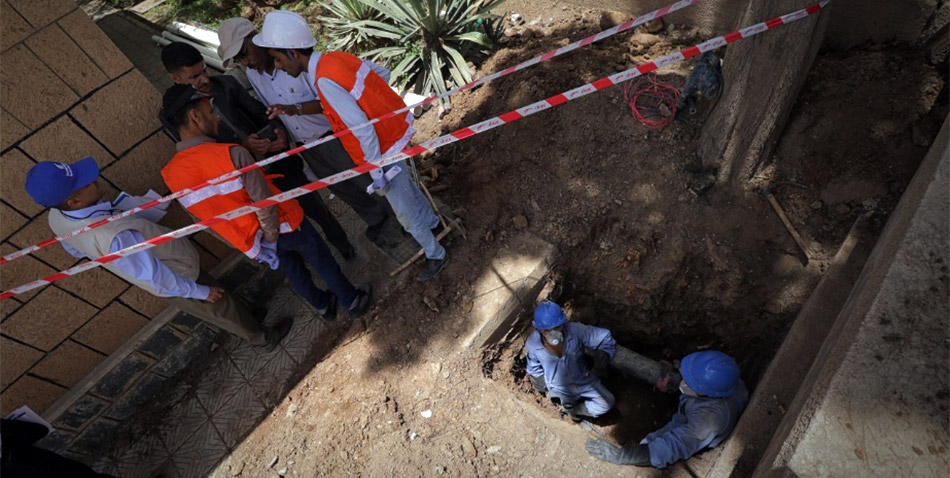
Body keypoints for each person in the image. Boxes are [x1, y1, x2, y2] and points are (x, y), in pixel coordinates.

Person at [252, 10, 450, 282]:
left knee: (403, 211)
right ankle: (434, 224)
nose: (280, 67)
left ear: (293, 52)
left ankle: (436, 254)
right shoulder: (335, 59)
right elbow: (382, 72)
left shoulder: (322, 78)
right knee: (409, 193)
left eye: (278, 58)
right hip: (394, 137)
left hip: (383, 149)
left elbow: (363, 129)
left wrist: (376, 170)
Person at [24, 158, 292, 349]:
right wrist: (198, 292)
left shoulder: (57, 217)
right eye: (86, 183)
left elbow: (73, 248)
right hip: (178, 279)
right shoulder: (113, 237)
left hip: (176, 264)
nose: (94, 179)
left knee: (222, 298)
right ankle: (262, 338)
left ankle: (247, 318)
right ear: (75, 201)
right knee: (219, 306)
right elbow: (153, 277)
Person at [159, 84, 372, 321]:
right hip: (284, 223)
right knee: (321, 260)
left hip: (256, 241)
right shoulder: (231, 153)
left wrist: (253, 245)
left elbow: (203, 222)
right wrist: (271, 233)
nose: (217, 117)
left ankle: (323, 306)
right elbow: (263, 200)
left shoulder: (172, 175)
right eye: (210, 112)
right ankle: (352, 301)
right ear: (195, 116)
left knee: (294, 271)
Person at [160, 41, 356, 260]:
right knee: (283, 239)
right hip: (244, 188)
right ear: (175, 79)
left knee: (316, 209)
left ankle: (342, 245)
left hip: (278, 164)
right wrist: (242, 148)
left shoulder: (226, 85)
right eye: (194, 77)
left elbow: (262, 113)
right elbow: (199, 154)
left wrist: (279, 132)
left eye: (204, 70)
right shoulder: (171, 114)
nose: (204, 79)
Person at [215, 18, 396, 245]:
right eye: (239, 60)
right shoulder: (254, 75)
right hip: (306, 145)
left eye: (244, 54)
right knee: (344, 190)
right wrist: (281, 133)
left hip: (335, 135)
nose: (246, 62)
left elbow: (330, 99)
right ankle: (378, 223)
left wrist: (296, 109)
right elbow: (272, 111)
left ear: (254, 38)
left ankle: (404, 219)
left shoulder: (294, 58)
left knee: (368, 181)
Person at [585, 351, 750, 468]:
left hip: (694, 434)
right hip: (687, 414)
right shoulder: (727, 381)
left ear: (705, 392)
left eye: (689, 381)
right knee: (650, 441)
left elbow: (672, 447)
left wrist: (621, 456)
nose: (684, 380)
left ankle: (642, 449)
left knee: (653, 446)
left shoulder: (706, 423)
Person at [525, 301, 616, 420]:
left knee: (608, 403)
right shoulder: (533, 345)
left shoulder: (575, 330)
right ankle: (570, 411)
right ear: (539, 329)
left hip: (583, 380)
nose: (553, 333)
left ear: (562, 324)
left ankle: (577, 411)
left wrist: (603, 354)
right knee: (568, 406)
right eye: (547, 330)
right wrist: (542, 386)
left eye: (557, 327)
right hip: (559, 388)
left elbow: (604, 336)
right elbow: (534, 369)